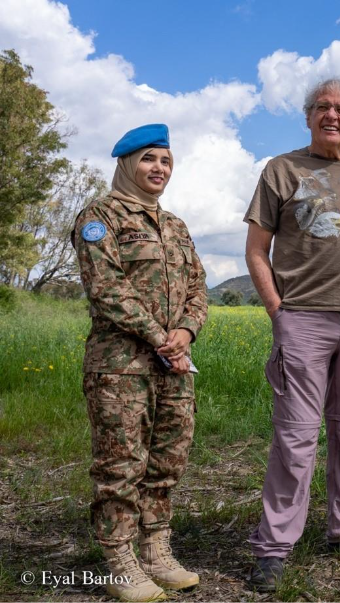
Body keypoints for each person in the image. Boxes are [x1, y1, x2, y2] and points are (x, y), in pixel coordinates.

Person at [244, 78, 340, 591]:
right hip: (303, 317)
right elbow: (255, 249)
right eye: (323, 108)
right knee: (296, 435)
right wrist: (276, 310)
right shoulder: (281, 170)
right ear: (308, 116)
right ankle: (274, 546)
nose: (334, 116)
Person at [73, 123, 207, 602]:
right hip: (120, 366)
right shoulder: (100, 217)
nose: (159, 169)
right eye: (150, 159)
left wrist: (186, 331)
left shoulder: (174, 226)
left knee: (167, 460)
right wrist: (160, 338)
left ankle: (155, 549)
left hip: (173, 365)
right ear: (127, 163)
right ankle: (119, 558)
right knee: (121, 462)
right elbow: (106, 288)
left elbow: (198, 286)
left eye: (167, 161)